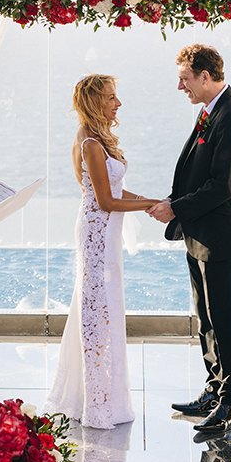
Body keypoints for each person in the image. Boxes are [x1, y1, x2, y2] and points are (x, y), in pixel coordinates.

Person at [148, 44, 231, 436]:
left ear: (205, 77)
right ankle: (215, 388)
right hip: (203, 236)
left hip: (223, 237)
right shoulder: (210, 111)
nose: (181, 86)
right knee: (207, 318)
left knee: (225, 320)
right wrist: (174, 201)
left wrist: (176, 208)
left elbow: (222, 187)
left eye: (185, 78)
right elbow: (198, 173)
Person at [44, 74, 160, 429]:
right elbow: (106, 200)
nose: (118, 103)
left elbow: (113, 192)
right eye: (111, 98)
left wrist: (155, 201)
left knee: (103, 307)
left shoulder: (97, 139)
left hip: (106, 233)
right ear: (96, 102)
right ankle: (96, 401)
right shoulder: (90, 143)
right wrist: (150, 205)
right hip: (97, 235)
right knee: (97, 311)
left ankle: (100, 393)